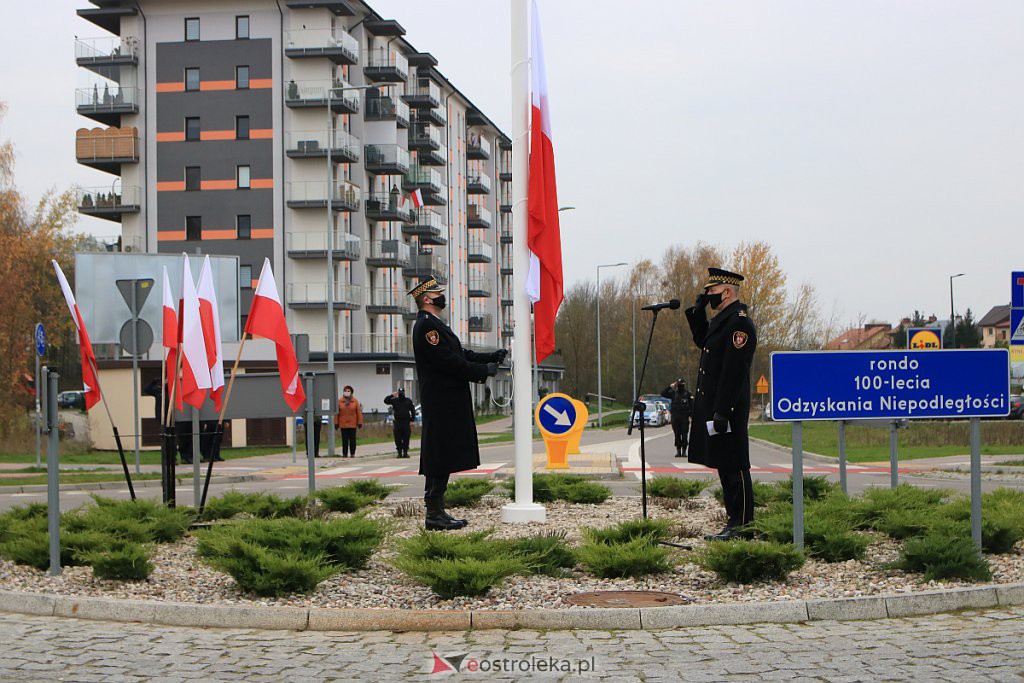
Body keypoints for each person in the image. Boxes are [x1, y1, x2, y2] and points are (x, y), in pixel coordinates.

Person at [409, 276, 504, 531]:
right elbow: (449, 363)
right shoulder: (427, 328)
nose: (443, 297)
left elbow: (460, 354)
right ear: (427, 299)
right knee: (439, 455)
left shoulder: (435, 324)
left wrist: (490, 357)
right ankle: (434, 512)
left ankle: (437, 510)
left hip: (447, 400)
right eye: (438, 294)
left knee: (444, 454)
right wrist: (483, 371)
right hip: (442, 400)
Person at [685, 267, 758, 541]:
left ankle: (743, 525)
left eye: (711, 292)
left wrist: (722, 411)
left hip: (728, 409)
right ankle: (734, 523)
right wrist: (698, 311)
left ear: (727, 292)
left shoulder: (739, 324)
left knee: (735, 465)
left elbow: (734, 372)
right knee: (724, 466)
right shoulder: (722, 320)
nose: (708, 295)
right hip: (716, 407)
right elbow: (702, 339)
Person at [660, 379, 693, 458]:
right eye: (679, 384)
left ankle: (684, 452)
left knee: (684, 434)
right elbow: (663, 394)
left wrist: (691, 416)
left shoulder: (688, 394)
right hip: (675, 417)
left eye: (681, 384)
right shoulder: (673, 393)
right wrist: (670, 387)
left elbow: (692, 406)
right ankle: (678, 451)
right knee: (677, 434)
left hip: (684, 417)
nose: (680, 386)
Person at [384, 388, 416, 458]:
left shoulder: (408, 401)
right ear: (398, 393)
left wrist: (412, 420)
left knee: (406, 438)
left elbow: (413, 410)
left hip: (406, 422)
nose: (401, 394)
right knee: (397, 438)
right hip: (397, 422)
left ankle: (405, 452)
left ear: (404, 393)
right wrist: (391, 395)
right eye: (400, 393)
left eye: (402, 392)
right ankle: (399, 453)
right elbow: (386, 401)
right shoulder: (395, 400)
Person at [334, 386, 363, 458]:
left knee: (352, 440)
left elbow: (358, 412)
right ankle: (344, 454)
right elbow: (337, 413)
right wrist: (336, 423)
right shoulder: (340, 401)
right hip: (343, 424)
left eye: (348, 391)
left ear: (351, 392)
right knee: (344, 440)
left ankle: (352, 453)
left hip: (352, 424)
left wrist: (360, 422)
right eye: (345, 391)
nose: (347, 392)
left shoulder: (355, 401)